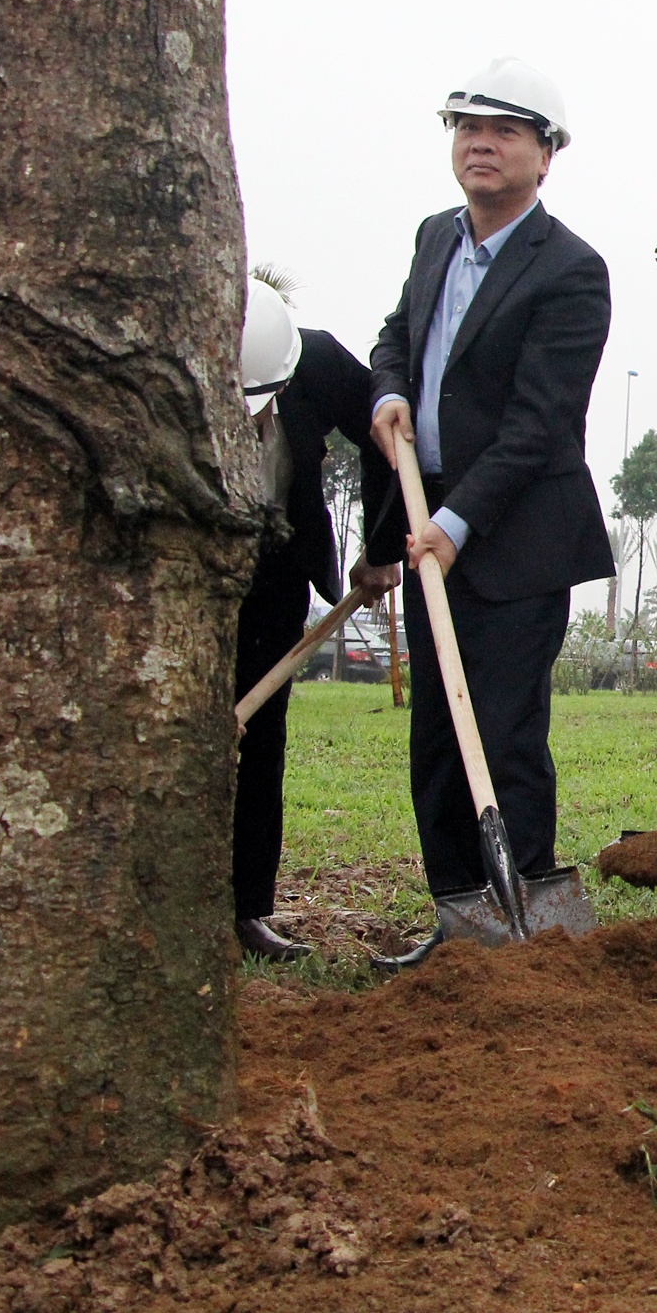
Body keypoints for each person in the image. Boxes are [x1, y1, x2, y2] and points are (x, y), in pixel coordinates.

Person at [367, 57, 616, 969]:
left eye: (505, 131)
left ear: (545, 156)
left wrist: (456, 523)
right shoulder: (436, 236)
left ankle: (528, 938)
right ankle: (458, 928)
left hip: (514, 542)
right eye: (466, 127)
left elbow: (539, 425)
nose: (481, 143)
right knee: (437, 742)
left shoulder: (572, 271)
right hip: (433, 526)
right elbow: (397, 335)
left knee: (504, 736)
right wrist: (388, 393)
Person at [233, 277, 403, 960]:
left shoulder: (312, 360)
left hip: (274, 566)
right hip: (189, 568)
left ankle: (246, 908)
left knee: (261, 733)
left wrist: (381, 548)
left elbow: (385, 430)